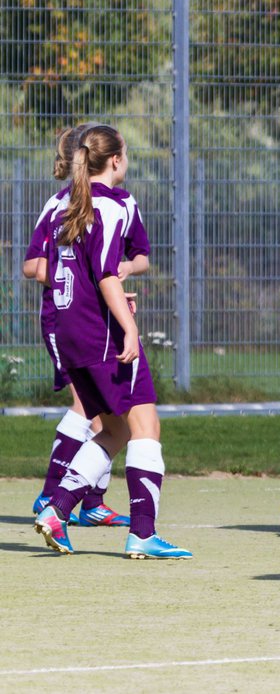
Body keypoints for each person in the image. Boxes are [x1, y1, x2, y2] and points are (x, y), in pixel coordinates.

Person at [32, 124, 191, 559]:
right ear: (116, 160)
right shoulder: (113, 205)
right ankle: (142, 532)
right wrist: (129, 326)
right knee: (145, 427)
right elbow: (105, 272)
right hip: (100, 332)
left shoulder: (66, 202)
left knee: (116, 428)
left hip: (67, 329)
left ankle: (57, 508)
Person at [24, 123, 144, 528]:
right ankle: (53, 495)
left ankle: (88, 499)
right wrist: (80, 280)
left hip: (93, 314)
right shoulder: (62, 205)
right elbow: (32, 266)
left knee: (103, 416)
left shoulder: (115, 203)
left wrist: (116, 271)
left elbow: (135, 259)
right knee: (91, 409)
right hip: (69, 319)